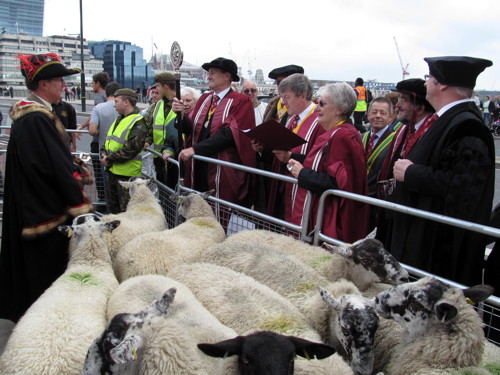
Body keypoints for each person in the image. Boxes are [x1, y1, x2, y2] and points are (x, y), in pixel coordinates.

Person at [0, 52, 93, 323]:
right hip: (43, 206)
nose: (63, 87)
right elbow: (52, 166)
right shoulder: (37, 118)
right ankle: (45, 318)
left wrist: (71, 163)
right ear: (43, 84)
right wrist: (80, 205)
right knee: (45, 265)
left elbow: (51, 158)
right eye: (58, 82)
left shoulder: (33, 114)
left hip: (31, 199)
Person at [390, 56, 494, 287]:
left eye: (429, 78)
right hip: (425, 237)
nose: (426, 84)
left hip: (439, 247)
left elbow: (464, 188)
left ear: (442, 84)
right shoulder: (448, 119)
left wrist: (412, 173)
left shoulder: (467, 125)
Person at [173, 57, 256, 219]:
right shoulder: (205, 99)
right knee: (198, 212)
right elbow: (190, 129)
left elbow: (228, 135)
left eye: (213, 73)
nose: (208, 76)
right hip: (199, 167)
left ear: (227, 76)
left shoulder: (241, 101)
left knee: (220, 214)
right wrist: (181, 115)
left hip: (223, 168)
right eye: (208, 73)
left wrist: (194, 149)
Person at [288, 82, 369, 243]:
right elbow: (324, 167)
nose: (317, 108)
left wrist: (302, 173)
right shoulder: (337, 132)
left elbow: (339, 183)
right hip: (322, 213)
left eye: (322, 104)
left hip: (329, 219)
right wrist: (295, 159)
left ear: (340, 109)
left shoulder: (342, 136)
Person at [254, 74, 324, 220]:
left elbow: (320, 161)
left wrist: (291, 157)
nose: (283, 102)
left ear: (303, 96)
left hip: (302, 190)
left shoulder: (319, 121)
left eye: (287, 97)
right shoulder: (291, 117)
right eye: (281, 97)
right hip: (282, 185)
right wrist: (263, 149)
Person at [376, 78, 436, 244]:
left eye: (403, 100)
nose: (397, 105)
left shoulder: (432, 133)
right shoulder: (403, 130)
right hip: (394, 208)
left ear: (420, 106)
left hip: (412, 214)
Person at [100, 89, 148, 214]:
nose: (114, 105)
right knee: (114, 211)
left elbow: (131, 148)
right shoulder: (119, 119)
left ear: (126, 102)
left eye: (116, 101)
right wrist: (103, 153)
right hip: (113, 172)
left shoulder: (138, 121)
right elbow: (108, 141)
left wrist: (108, 159)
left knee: (127, 213)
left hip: (127, 177)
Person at [77, 72, 111, 201]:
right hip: (107, 140)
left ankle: (102, 198)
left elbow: (94, 116)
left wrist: (82, 125)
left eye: (92, 83)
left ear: (97, 83)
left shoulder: (99, 98)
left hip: (99, 141)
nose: (92, 85)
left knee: (98, 170)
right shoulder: (107, 97)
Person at [362, 97, 395, 230]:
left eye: (383, 113)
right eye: (374, 112)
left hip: (378, 204)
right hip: (359, 199)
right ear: (368, 114)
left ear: (391, 117)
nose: (378, 116)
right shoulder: (361, 137)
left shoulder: (395, 141)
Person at [88, 82, 121, 211]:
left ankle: (107, 210)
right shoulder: (124, 108)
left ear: (106, 93)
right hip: (123, 154)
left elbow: (92, 130)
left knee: (107, 185)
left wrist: (100, 131)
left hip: (105, 153)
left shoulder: (99, 108)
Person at [144, 72, 177, 189]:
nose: (156, 89)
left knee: (175, 191)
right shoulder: (158, 105)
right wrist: (148, 141)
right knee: (163, 190)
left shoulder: (182, 103)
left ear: (165, 86)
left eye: (158, 86)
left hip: (175, 158)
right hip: (159, 157)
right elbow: (152, 128)